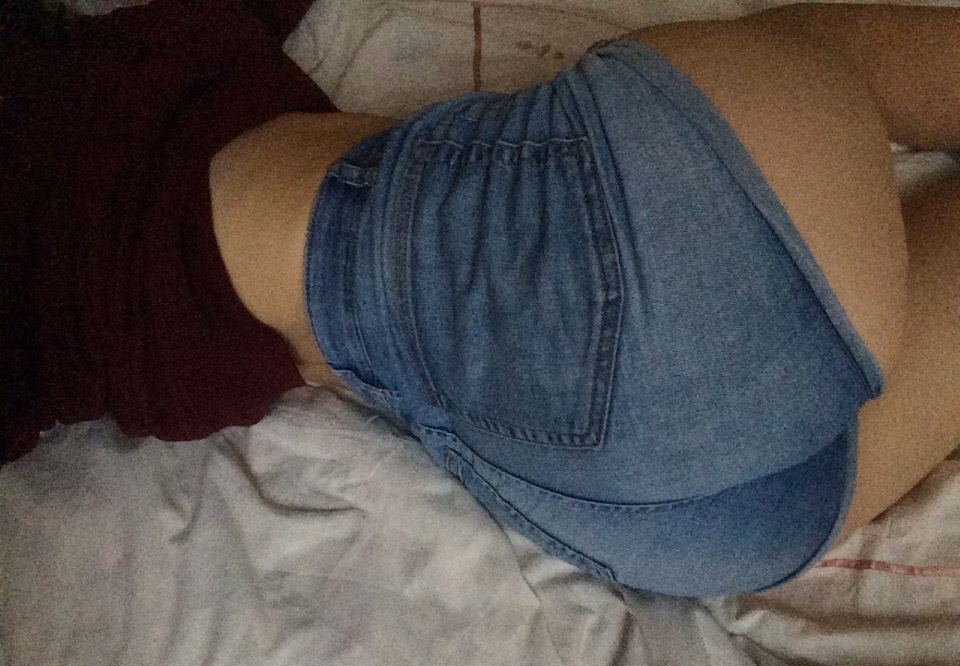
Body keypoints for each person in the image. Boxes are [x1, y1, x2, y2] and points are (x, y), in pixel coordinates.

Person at [62, 3, 960, 596]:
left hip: (655, 522)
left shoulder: (76, 347)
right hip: (618, 261)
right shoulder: (82, 90)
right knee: (823, 63)